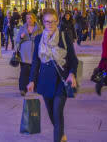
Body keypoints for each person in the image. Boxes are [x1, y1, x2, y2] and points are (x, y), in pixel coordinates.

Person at [27, 8, 78, 142]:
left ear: (57, 21)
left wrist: (72, 74)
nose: (50, 24)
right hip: (44, 81)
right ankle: (61, 134)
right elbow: (35, 61)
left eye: (53, 21)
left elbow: (73, 60)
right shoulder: (38, 39)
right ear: (43, 22)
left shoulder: (64, 36)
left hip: (61, 80)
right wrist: (32, 80)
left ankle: (58, 137)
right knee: (51, 115)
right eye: (47, 21)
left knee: (57, 112)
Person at [16, 13, 42, 96]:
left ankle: (35, 87)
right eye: (27, 18)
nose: (29, 20)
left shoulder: (39, 28)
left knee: (35, 71)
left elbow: (43, 39)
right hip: (24, 53)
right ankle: (23, 89)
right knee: (24, 72)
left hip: (35, 53)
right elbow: (17, 40)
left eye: (31, 18)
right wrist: (21, 37)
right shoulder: (22, 28)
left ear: (34, 19)